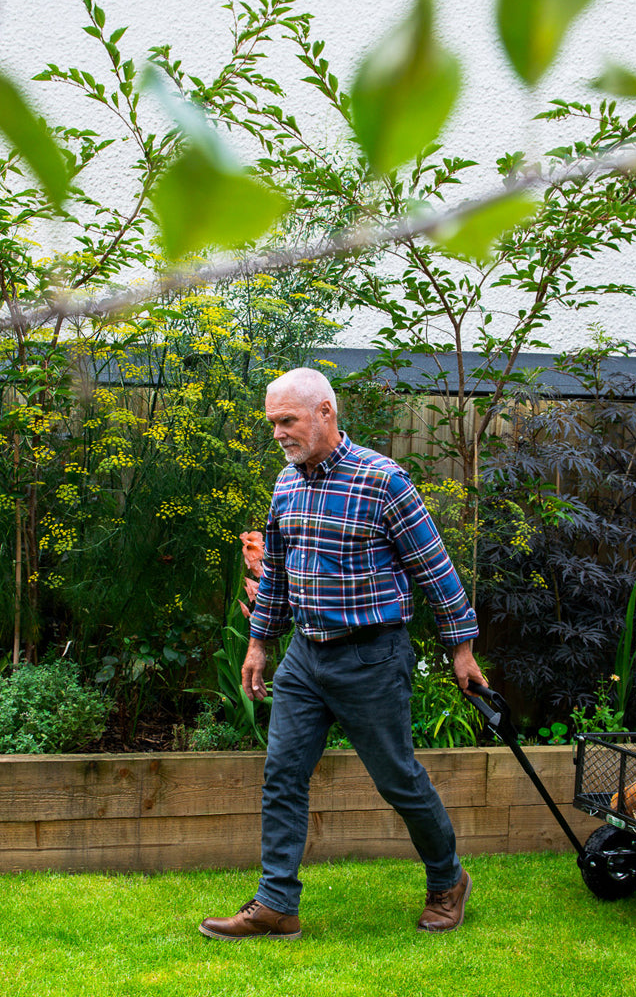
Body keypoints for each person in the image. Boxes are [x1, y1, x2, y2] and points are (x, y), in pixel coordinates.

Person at [199, 367, 487, 941]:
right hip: (306, 657)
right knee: (282, 773)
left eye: (288, 420)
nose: (278, 433)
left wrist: (462, 650)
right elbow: (277, 574)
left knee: (398, 779)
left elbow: (435, 571)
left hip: (371, 659)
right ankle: (277, 904)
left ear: (325, 413)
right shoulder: (287, 484)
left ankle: (447, 881)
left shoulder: (383, 481)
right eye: (272, 423)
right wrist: (259, 641)